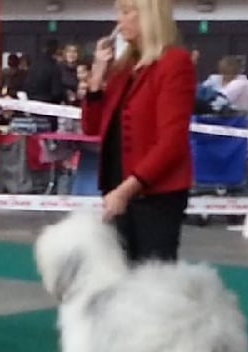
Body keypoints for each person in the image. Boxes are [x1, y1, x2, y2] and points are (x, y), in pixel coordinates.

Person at [81, 0, 195, 262]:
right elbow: (92, 127)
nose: (118, 21)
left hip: (153, 195)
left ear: (147, 17)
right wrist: (97, 76)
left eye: (125, 12)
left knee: (151, 276)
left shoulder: (174, 62)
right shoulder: (123, 69)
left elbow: (172, 142)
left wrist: (126, 190)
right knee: (117, 272)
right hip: (116, 188)